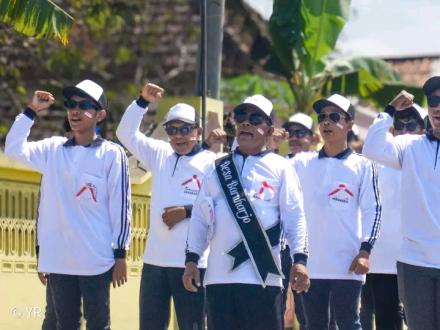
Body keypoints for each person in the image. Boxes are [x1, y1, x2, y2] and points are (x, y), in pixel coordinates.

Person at [5, 79, 131, 329]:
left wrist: (121, 254)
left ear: (100, 115)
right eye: (71, 104)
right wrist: (31, 111)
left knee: (98, 324)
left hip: (96, 259)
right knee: (65, 325)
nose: (75, 110)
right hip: (59, 260)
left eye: (84, 105)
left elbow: (121, 207)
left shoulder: (111, 154)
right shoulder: (52, 150)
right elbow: (13, 149)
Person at [183, 94, 310, 330]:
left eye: (255, 118)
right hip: (219, 278)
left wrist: (300, 261)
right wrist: (191, 259)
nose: (246, 123)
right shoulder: (217, 166)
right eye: (241, 116)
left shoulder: (281, 167)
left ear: (269, 129)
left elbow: (295, 217)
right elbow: (200, 217)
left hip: (263, 279)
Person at [116, 83, 216, 330]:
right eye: (172, 129)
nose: (179, 135)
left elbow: (219, 208)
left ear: (198, 130)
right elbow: (125, 133)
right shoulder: (160, 154)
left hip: (194, 264)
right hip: (155, 264)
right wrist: (142, 102)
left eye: (185, 129)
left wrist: (187, 211)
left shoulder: (212, 163)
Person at [290, 94, 382, 330]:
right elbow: (268, 168)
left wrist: (365, 251)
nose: (326, 122)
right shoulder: (302, 163)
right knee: (315, 324)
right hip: (311, 265)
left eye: (334, 117)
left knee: (348, 323)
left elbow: (374, 209)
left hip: (347, 264)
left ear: (350, 123)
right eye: (322, 117)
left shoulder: (362, 166)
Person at [363, 82, 440, 330]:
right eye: (434, 102)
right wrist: (389, 110)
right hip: (415, 261)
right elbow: (372, 148)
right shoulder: (410, 146)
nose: (438, 107)